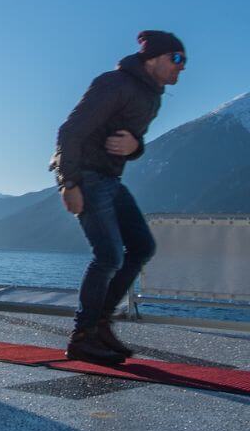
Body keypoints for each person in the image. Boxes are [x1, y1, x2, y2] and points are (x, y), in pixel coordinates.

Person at [50, 30, 186, 364]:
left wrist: (136, 147)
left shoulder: (152, 95)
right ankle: (83, 337)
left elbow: (130, 142)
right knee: (108, 255)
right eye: (177, 59)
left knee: (142, 246)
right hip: (87, 176)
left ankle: (100, 325)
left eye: (184, 62)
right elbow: (70, 131)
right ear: (152, 58)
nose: (181, 68)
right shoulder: (114, 83)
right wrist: (69, 184)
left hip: (110, 178)